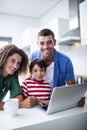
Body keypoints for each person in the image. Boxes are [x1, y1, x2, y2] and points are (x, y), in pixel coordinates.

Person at [29, 28, 85, 107]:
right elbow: (27, 81)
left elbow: (72, 86)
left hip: (55, 102)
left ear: (54, 42)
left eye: (49, 42)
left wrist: (78, 98)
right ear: (37, 44)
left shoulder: (65, 61)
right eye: (42, 43)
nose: (45, 47)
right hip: (35, 102)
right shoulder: (32, 57)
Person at [0, 44, 36, 110]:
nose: (15, 66)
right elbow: (19, 102)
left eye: (18, 63)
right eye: (12, 61)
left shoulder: (12, 76)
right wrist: (20, 104)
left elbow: (19, 96)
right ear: (4, 59)